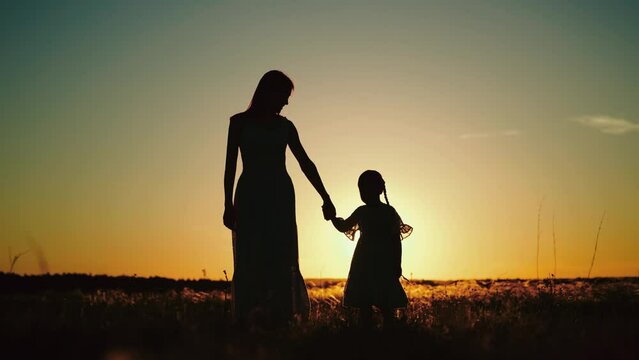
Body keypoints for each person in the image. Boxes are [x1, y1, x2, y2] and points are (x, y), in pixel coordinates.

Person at [223, 70, 336, 327]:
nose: (286, 102)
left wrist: (325, 197)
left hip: (280, 195)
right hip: (250, 194)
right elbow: (230, 166)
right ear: (268, 92)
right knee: (251, 254)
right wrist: (227, 203)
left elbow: (305, 163)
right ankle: (250, 318)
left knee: (281, 255)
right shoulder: (238, 123)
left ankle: (282, 317)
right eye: (283, 96)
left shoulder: (286, 126)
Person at [329, 170, 412, 328]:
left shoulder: (389, 212)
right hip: (365, 262)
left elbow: (396, 240)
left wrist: (397, 263)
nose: (364, 193)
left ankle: (388, 331)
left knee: (386, 303)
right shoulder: (363, 211)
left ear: (379, 190)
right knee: (364, 302)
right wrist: (333, 217)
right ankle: (367, 333)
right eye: (362, 189)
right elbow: (344, 226)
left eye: (367, 189)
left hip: (380, 261)